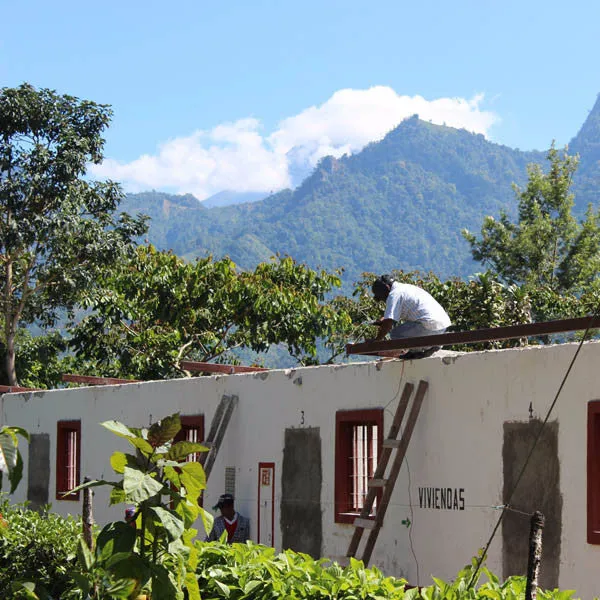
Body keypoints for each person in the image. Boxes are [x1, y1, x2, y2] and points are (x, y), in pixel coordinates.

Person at [370, 274, 451, 356]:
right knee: (402, 331)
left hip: (428, 326)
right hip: (442, 327)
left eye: (381, 297)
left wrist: (377, 341)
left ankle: (416, 352)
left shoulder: (394, 294)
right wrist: (385, 320)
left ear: (386, 288)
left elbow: (388, 325)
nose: (383, 300)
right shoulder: (406, 288)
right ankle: (431, 346)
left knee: (396, 334)